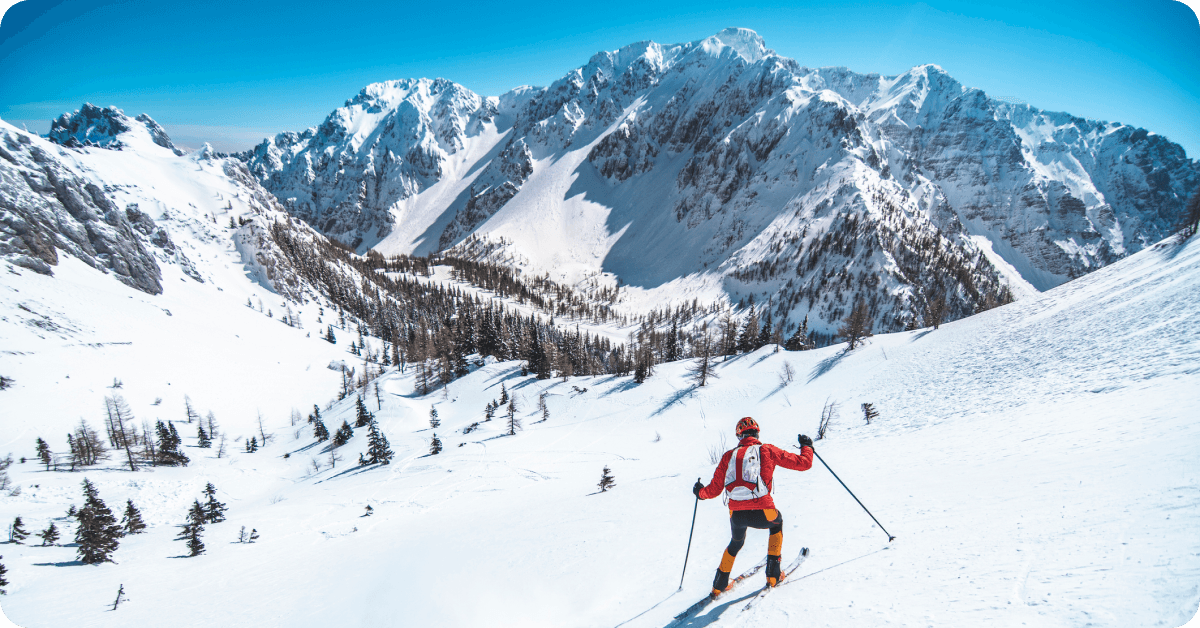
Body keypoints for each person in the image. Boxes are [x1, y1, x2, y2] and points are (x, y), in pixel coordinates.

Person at [693, 417, 814, 595]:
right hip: (764, 512)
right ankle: (773, 575)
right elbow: (804, 464)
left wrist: (700, 493)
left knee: (735, 543)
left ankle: (718, 586)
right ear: (756, 433)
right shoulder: (766, 450)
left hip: (737, 515)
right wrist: (807, 447)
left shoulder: (728, 456)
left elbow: (714, 490)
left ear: (739, 436)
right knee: (776, 524)